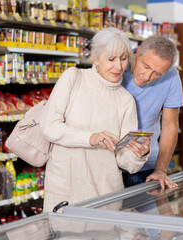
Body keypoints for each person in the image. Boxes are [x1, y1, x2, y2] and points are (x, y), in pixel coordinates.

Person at [40, 27, 151, 212]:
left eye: (124, 58)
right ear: (95, 57)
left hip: (105, 193)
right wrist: (91, 138)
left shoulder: (126, 100)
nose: (118, 66)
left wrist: (139, 153)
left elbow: (123, 158)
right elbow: (49, 126)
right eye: (111, 59)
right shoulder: (73, 78)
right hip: (65, 189)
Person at [122, 35, 183, 189]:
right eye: (146, 66)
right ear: (138, 52)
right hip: (110, 164)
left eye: (157, 74)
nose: (147, 77)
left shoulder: (172, 76)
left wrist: (161, 169)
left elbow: (170, 125)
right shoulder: (118, 63)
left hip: (147, 165)